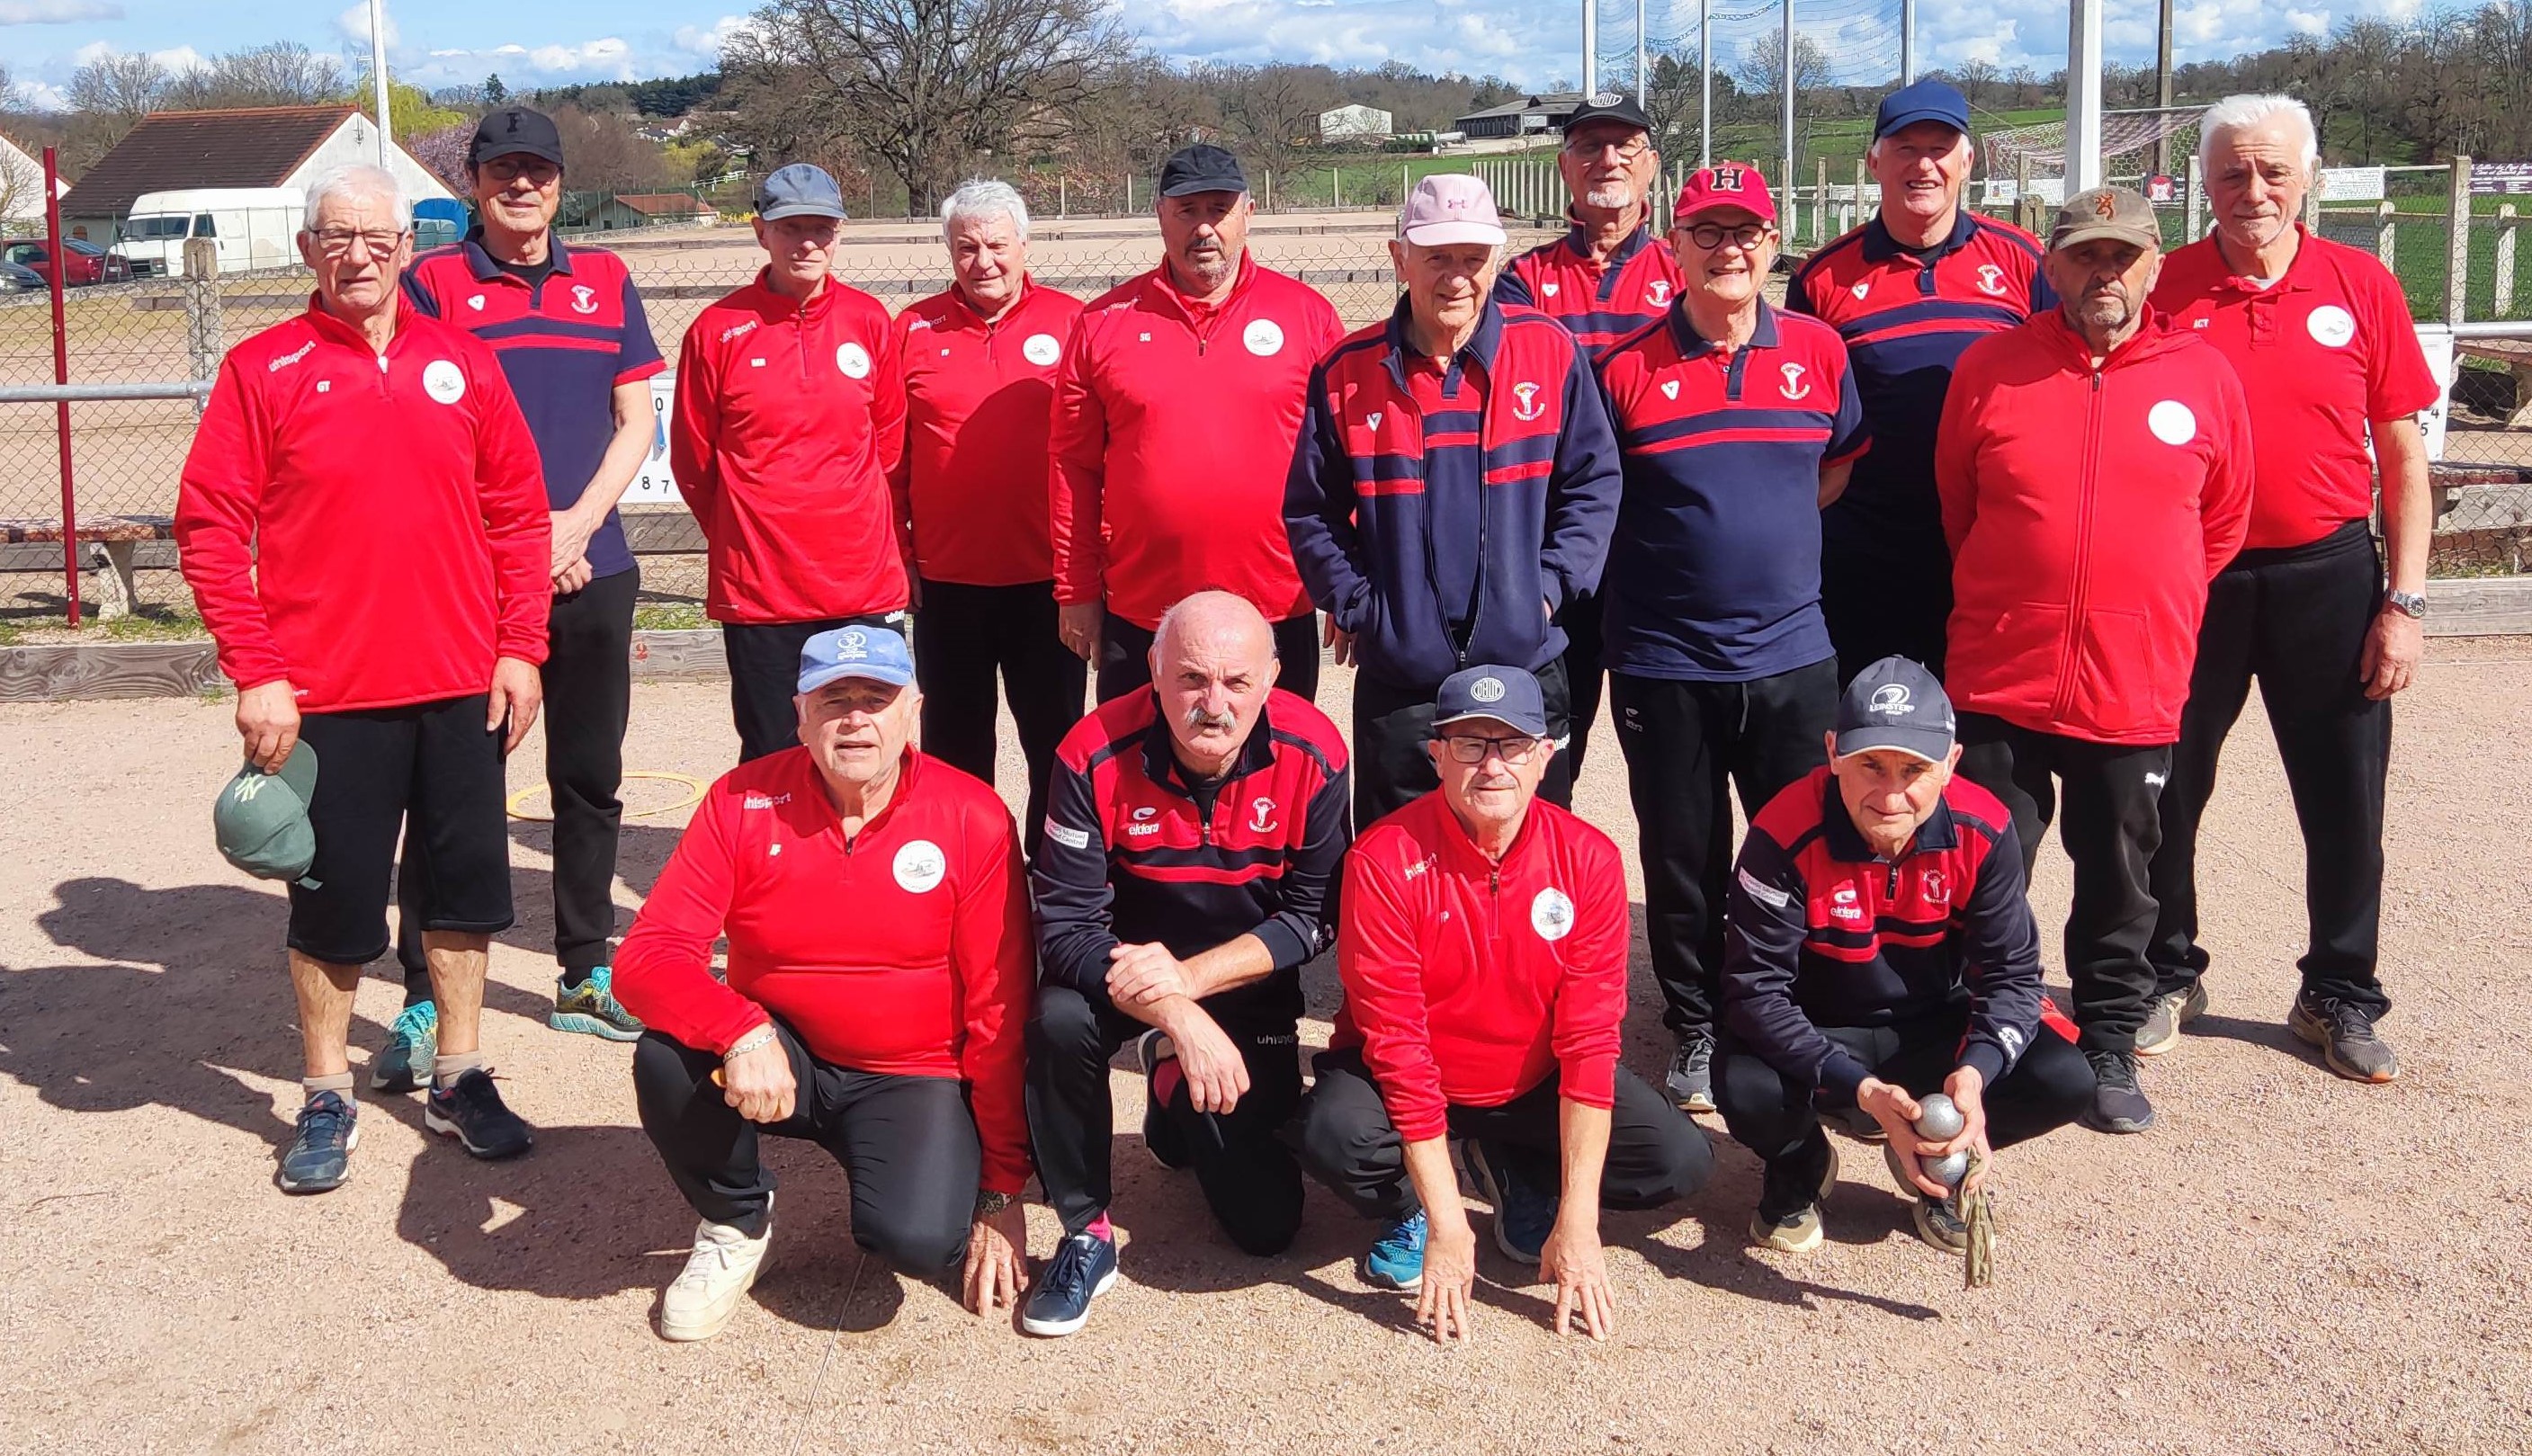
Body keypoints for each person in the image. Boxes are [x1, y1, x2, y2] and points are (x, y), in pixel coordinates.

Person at [175, 165, 549, 1193]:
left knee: (466, 897)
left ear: (408, 249)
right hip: (324, 694)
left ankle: (462, 1074)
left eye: (378, 238)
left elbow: (519, 515)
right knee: (334, 908)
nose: (359, 255)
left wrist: (521, 646)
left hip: (460, 682)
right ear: (308, 251)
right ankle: (325, 1092)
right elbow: (210, 526)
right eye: (337, 237)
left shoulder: (463, 362)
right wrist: (257, 671)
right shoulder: (265, 367)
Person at [611, 625, 1033, 1342]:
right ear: (799, 714)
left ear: (913, 711)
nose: (855, 717)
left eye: (877, 697)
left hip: (911, 1071)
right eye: (833, 699)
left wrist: (1002, 1184)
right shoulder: (739, 801)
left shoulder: (972, 815)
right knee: (664, 1057)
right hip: (782, 1055)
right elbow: (646, 957)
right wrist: (739, 1027)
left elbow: (999, 1006)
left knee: (917, 1241)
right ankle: (736, 1219)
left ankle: (914, 1171)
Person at [1937, 187, 2253, 1136]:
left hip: (2132, 676)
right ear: (2052, 264)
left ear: (2155, 263)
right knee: (1988, 862)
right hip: (2001, 671)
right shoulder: (1991, 368)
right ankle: (1974, 1027)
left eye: (2121, 256)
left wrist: (2139, 598)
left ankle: (2109, 1033)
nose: (2102, 274)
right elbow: (1959, 504)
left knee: (2120, 868)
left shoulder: (2201, 376)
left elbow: (2221, 523)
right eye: (2083, 256)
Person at [2140, 95, 2439, 1085]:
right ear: (2202, 183)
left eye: (2271, 171)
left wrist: (2403, 602)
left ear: (2307, 176)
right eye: (2231, 173)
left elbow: (2401, 460)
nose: (2252, 191)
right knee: (2165, 787)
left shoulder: (2359, 283)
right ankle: (2165, 967)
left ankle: (2338, 991)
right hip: (2195, 577)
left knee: (2344, 800)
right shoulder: (2164, 286)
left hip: (2327, 573)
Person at [380, 106, 666, 1084]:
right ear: (475, 182)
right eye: (502, 170)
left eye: (536, 170)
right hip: (474, 570)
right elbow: (415, 423)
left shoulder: (607, 280)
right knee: (453, 786)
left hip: (594, 560)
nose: (521, 186)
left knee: (588, 776)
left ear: (557, 180)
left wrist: (576, 522)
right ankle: (423, 987)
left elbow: (636, 418)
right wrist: (523, 540)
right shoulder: (431, 282)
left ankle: (584, 970)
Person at [1302, 665, 1711, 1344]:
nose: (1492, 764)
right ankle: (1408, 1202)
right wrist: (1443, 1220)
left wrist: (1579, 1219)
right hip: (1416, 1073)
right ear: (1435, 755)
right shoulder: (1380, 858)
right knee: (1332, 1133)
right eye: (1469, 743)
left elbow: (1587, 1042)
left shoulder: (1590, 859)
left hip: (1530, 1077)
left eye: (1512, 744)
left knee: (1678, 1160)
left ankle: (1516, 1165)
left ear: (1546, 755)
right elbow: (1397, 1043)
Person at [1593, 163, 1869, 1116]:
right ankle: (1699, 1019)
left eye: (1745, 231)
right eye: (1706, 232)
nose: (1728, 250)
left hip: (1792, 654)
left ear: (1772, 239)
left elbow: (1831, 471)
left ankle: (1794, 1005)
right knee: (1683, 852)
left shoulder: (1820, 352)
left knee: (1802, 841)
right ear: (1672, 246)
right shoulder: (1624, 367)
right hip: (1664, 658)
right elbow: (1599, 499)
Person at [1024, 591, 1351, 1337]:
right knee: (1055, 1019)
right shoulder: (1089, 748)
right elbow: (1064, 924)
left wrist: (1195, 985)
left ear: (1273, 675)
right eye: (1191, 680)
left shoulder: (1316, 750)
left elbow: (1314, 914)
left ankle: (1168, 1077)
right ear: (1153, 670)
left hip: (1238, 977)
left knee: (1266, 1226)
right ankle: (1085, 1231)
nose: (1214, 704)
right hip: (1122, 973)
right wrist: (1174, 1010)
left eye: (1236, 682)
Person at [1718, 657, 2094, 1256]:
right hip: (1818, 1024)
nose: (1890, 794)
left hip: (1930, 1024)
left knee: (2065, 1079)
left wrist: (1973, 1074)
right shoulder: (1781, 830)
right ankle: (1802, 1164)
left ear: (1949, 763)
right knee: (1742, 1087)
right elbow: (1755, 993)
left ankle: (1928, 1154)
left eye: (1913, 768)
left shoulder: (1985, 828)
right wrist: (1859, 1087)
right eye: (1869, 764)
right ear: (1833, 751)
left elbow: (2011, 978)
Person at [1284, 173, 1620, 823]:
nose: (1456, 277)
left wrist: (1548, 587)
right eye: (1437, 257)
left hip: (1525, 666)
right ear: (1399, 257)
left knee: (1528, 858)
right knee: (1398, 862)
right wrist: (1359, 604)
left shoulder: (1549, 352)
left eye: (1473, 258)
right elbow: (1311, 510)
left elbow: (1593, 482)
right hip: (1402, 680)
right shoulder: (1345, 373)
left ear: (1496, 259)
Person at [1050, 144, 1345, 706]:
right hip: (1143, 607)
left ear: (1248, 214)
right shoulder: (1102, 324)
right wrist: (1076, 587)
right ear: (1160, 215)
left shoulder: (1307, 315)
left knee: (1274, 776)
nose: (1204, 228)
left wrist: (1343, 583)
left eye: (1219, 209)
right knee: (1139, 778)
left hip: (1276, 602)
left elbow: (1343, 460)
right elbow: (1073, 465)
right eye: (1187, 211)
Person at [1787, 80, 2053, 681]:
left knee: (1981, 748)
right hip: (1866, 552)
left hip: (1988, 544)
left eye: (1939, 147)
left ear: (1968, 159)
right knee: (1869, 738)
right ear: (1874, 161)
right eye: (1905, 149)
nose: (1923, 165)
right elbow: (1802, 420)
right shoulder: (1823, 277)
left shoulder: (2022, 259)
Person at [673, 163, 908, 763]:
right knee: (773, 753)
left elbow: (886, 447)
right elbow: (695, 461)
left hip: (859, 584)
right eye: (790, 227)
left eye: (821, 228)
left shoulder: (869, 321)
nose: (807, 242)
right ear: (760, 232)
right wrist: (751, 532)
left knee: (869, 748)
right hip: (760, 590)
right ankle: (772, 860)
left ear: (838, 234)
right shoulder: (715, 330)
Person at [1492, 94, 1687, 791]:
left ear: (1652, 168)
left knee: (1671, 778)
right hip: (1556, 557)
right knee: (1542, 760)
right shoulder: (1523, 281)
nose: (1607, 159)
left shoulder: (1684, 274)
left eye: (1624, 147)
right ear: (1564, 167)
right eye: (1588, 147)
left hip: (1655, 561)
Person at [893, 179, 1087, 857]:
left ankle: (1053, 877)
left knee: (1056, 742)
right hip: (948, 581)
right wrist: (899, 552)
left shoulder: (1072, 321)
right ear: (948, 250)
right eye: (966, 246)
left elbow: (1102, 449)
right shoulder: (911, 330)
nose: (983, 261)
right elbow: (890, 457)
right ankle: (969, 870)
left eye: (997, 245)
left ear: (1024, 245)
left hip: (1048, 583)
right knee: (954, 745)